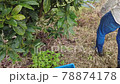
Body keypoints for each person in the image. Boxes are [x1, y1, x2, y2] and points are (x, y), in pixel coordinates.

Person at [96, 0, 120, 68]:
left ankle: (99, 50)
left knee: (101, 31)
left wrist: (101, 12)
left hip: (116, 17)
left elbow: (112, 1)